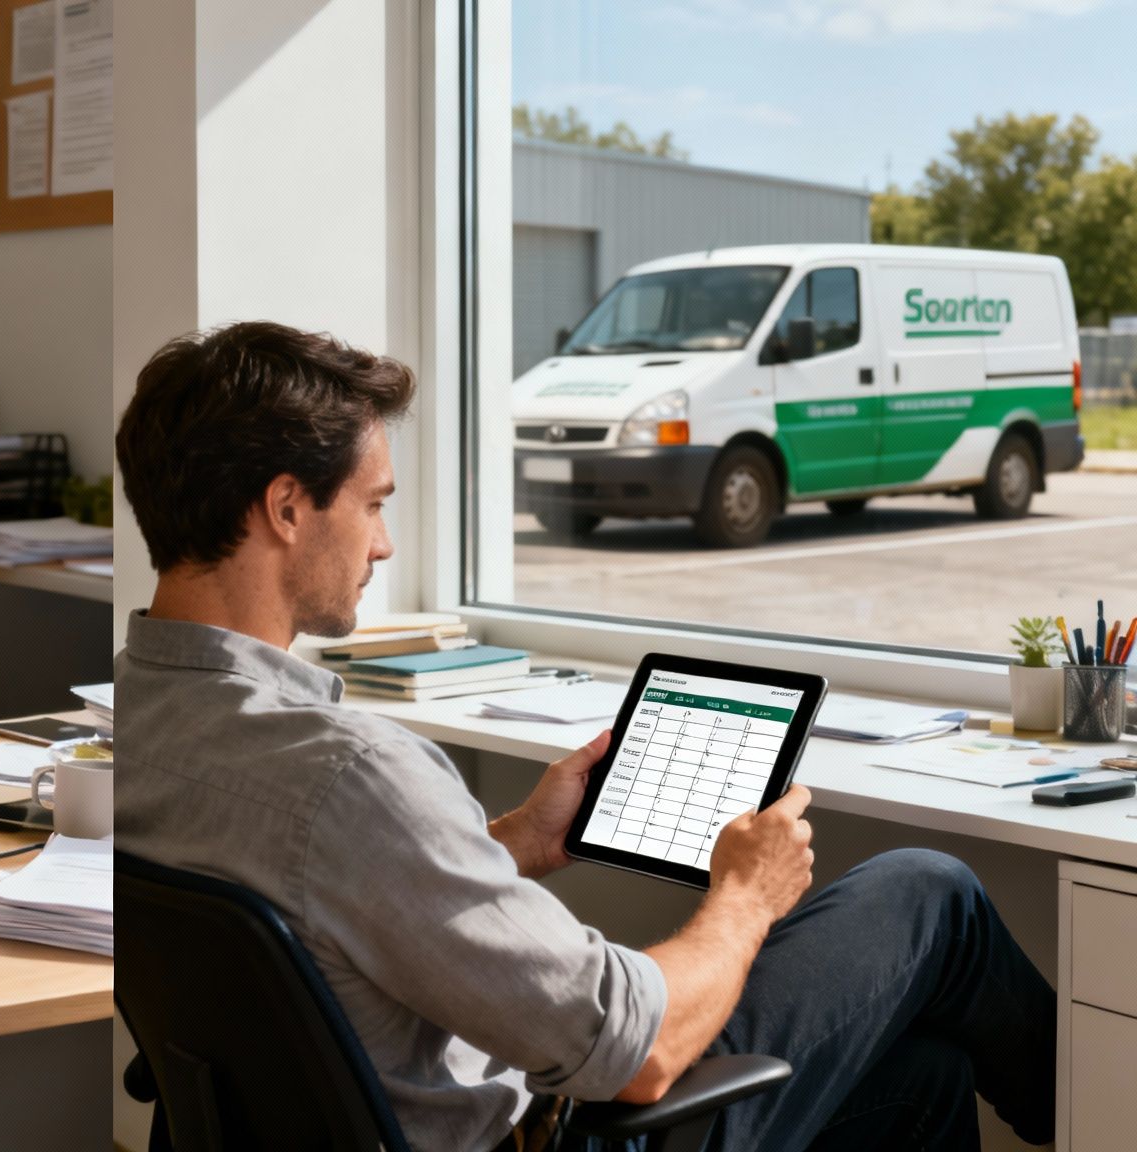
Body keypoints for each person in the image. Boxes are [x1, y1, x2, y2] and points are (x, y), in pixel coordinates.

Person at [113, 320, 1053, 1151]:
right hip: (557, 1133)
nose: (384, 544)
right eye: (374, 504)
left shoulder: (133, 731)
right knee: (928, 890)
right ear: (286, 507)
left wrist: (512, 843)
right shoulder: (352, 775)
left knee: (924, 1081)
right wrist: (747, 894)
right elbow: (636, 1056)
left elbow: (321, 898)